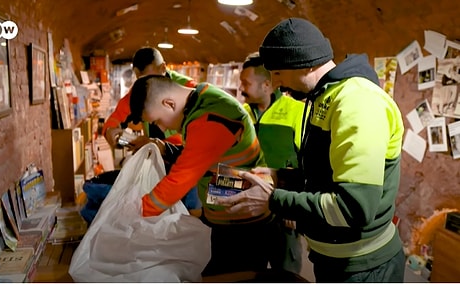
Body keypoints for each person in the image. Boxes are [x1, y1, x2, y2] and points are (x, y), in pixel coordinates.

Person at [216, 18, 406, 282]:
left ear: (302, 63)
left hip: (363, 268)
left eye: (279, 73)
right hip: (334, 258)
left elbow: (353, 208)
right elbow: (326, 174)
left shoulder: (357, 102)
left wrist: (273, 200)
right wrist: (278, 176)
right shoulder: (324, 96)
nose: (276, 83)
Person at [128, 74, 281, 276]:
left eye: (158, 121)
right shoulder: (202, 96)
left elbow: (180, 180)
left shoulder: (210, 119)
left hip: (242, 225)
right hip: (228, 215)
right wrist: (164, 148)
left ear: (169, 103)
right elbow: (204, 156)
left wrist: (133, 215)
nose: (163, 128)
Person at [102, 46, 201, 215]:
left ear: (163, 68)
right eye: (139, 79)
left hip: (188, 163)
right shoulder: (140, 90)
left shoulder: (189, 88)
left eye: (148, 78)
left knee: (191, 212)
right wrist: (112, 132)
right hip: (159, 162)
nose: (145, 86)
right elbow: (115, 119)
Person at [239, 52, 305, 275]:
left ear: (266, 85)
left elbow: (306, 163)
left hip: (282, 209)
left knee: (285, 271)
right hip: (248, 207)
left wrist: (294, 205)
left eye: (246, 83)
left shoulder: (296, 111)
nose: (241, 89)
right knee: (247, 270)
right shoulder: (241, 114)